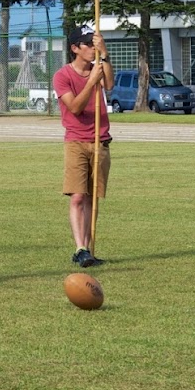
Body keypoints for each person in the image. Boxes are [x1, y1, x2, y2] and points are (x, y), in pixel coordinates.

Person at [54, 27, 113, 267]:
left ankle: (87, 249)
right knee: (78, 196)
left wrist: (105, 53)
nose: (92, 48)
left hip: (101, 141)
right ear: (75, 48)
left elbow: (108, 85)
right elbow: (75, 107)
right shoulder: (62, 75)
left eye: (94, 43)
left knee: (93, 199)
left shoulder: (98, 68)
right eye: (88, 44)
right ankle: (79, 248)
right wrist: (90, 83)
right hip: (76, 141)